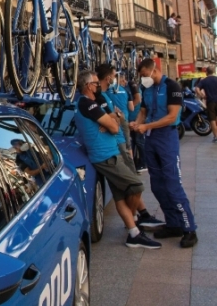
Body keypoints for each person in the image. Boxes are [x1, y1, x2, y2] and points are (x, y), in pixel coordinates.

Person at [73, 70, 161, 249]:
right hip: (106, 156)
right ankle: (135, 219)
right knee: (136, 186)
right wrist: (113, 121)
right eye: (96, 83)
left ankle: (133, 233)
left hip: (110, 152)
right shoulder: (87, 104)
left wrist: (113, 120)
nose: (99, 86)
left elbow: (115, 120)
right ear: (89, 86)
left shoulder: (92, 103)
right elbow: (114, 127)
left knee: (120, 196)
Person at [130, 58, 198, 248]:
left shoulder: (172, 86)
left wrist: (146, 126)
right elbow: (143, 110)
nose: (143, 79)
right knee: (157, 185)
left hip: (166, 137)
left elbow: (171, 116)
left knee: (172, 184)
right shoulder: (147, 88)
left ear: (154, 70)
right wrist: (137, 122)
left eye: (144, 75)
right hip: (150, 138)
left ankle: (189, 228)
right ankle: (173, 223)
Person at [195, 66, 217, 143]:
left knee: (212, 119)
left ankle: (216, 136)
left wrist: (202, 96)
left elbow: (197, 89)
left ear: (206, 72)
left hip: (210, 102)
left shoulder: (204, 81)